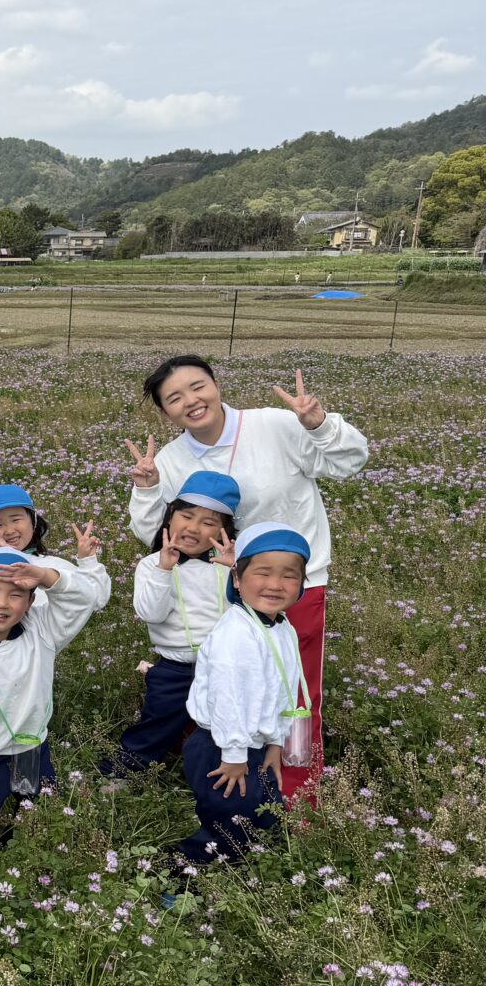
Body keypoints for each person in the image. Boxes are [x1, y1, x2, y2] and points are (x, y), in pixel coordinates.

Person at [124, 353, 368, 797]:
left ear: (216, 383)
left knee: (292, 687)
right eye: (174, 398)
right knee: (225, 680)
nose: (191, 401)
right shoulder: (172, 460)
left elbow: (350, 461)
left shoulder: (274, 425)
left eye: (198, 386)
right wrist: (147, 487)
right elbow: (156, 534)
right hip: (221, 585)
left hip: (289, 585)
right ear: (164, 411)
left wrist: (319, 424)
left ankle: (295, 792)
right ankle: (218, 778)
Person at [179, 523, 312, 874]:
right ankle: (180, 873)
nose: (275, 584)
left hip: (253, 744)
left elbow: (282, 689)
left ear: (302, 583)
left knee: (265, 811)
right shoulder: (237, 633)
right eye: (262, 573)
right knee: (228, 819)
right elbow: (230, 700)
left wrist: (275, 742)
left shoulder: (282, 626)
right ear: (237, 578)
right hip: (221, 744)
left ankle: (243, 869)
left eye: (289, 576)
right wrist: (235, 755)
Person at [0, 548, 101, 836]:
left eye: (16, 595)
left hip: (34, 750)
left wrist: (44, 576)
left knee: (46, 826)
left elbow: (84, 597)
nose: (2, 603)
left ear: (31, 601)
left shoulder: (41, 629)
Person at [107, 470, 240, 778]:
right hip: (175, 667)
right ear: (170, 516)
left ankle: (219, 772)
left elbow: (246, 611)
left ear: (224, 531)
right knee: (158, 722)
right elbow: (151, 614)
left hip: (224, 664)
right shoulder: (151, 565)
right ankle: (123, 771)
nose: (193, 528)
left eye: (208, 522)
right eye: (187, 516)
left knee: (228, 722)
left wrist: (237, 572)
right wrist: (163, 571)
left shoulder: (229, 565)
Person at [0, 484, 112, 611]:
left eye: (16, 519)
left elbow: (97, 599)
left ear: (33, 521)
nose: (9, 530)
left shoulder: (54, 566)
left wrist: (87, 560)